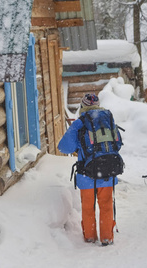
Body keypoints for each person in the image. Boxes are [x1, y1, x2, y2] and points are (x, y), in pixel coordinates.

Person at [58, 93, 123, 246]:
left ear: (83, 106)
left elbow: (64, 147)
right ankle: (107, 237)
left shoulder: (80, 123)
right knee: (106, 206)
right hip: (107, 172)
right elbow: (118, 144)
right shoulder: (108, 119)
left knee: (88, 207)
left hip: (87, 175)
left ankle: (89, 236)